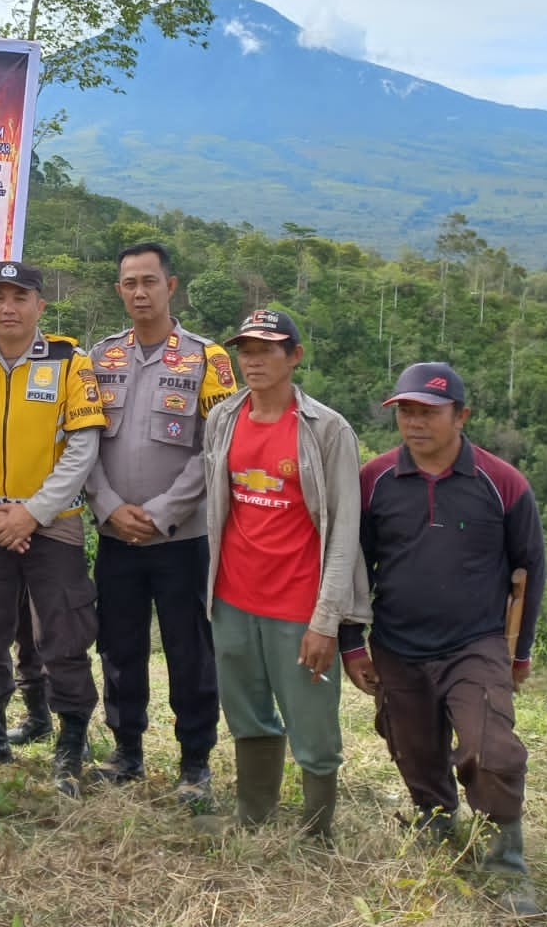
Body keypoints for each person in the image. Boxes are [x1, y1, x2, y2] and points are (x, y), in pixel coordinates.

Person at [339, 362, 547, 916]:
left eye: (428, 412)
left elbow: (531, 567)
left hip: (474, 643)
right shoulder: (375, 479)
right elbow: (351, 564)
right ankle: (434, 818)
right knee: (411, 745)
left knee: (491, 747)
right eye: (406, 411)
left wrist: (519, 653)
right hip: (397, 642)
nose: (415, 422)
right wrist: (351, 644)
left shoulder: (502, 483)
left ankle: (506, 858)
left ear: (462, 416)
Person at [201, 309, 369, 841]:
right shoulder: (223, 419)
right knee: (246, 711)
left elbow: (344, 528)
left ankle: (318, 830)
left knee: (313, 723)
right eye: (245, 349)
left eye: (267, 349)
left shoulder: (326, 429)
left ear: (294, 356)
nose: (253, 360)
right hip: (232, 596)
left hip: (299, 604)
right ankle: (253, 813)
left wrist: (328, 620)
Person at [0, 261, 107, 795]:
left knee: (63, 636)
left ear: (40, 304)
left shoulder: (69, 362)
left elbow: (83, 446)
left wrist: (31, 512)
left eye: (20, 297)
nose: (7, 307)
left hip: (52, 522)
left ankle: (69, 750)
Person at [85, 241, 236, 801]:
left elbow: (214, 449)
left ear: (171, 287)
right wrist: (107, 507)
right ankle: (125, 751)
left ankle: (195, 762)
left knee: (188, 648)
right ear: (119, 290)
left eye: (150, 281)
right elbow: (82, 444)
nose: (140, 292)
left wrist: (162, 514)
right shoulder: (100, 359)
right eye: (130, 283)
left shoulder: (207, 358)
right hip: (115, 535)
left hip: (181, 538)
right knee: (118, 645)